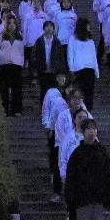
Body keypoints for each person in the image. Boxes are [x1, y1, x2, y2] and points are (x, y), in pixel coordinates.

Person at [42, 74, 70, 204]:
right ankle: (57, 191)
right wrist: (49, 128)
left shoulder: (79, 104)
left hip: (73, 139)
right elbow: (51, 114)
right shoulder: (58, 100)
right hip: (59, 137)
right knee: (58, 162)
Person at [0, 15, 24, 117]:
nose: (11, 25)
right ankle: (4, 109)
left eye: (13, 23)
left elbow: (21, 52)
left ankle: (17, 110)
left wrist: (21, 63)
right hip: (4, 65)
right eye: (9, 23)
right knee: (4, 88)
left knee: (17, 88)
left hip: (16, 65)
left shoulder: (20, 37)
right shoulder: (1, 37)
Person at [67, 18, 99, 111]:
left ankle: (88, 112)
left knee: (89, 93)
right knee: (79, 93)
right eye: (88, 25)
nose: (89, 27)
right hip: (78, 69)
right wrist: (71, 68)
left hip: (90, 69)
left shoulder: (90, 41)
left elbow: (94, 57)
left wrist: (97, 72)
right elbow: (70, 54)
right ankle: (78, 111)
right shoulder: (73, 39)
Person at [31, 20, 67, 102]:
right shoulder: (39, 41)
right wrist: (35, 68)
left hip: (54, 70)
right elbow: (34, 55)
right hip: (42, 70)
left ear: (54, 29)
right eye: (47, 26)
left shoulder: (57, 41)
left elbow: (61, 56)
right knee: (43, 91)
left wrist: (61, 69)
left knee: (54, 91)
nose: (49, 28)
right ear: (44, 28)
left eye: (51, 26)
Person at [58, 108, 89, 187]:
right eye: (80, 117)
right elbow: (62, 157)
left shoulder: (92, 137)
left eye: (84, 117)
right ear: (74, 120)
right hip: (71, 174)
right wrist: (63, 174)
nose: (82, 120)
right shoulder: (67, 138)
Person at [22, 0, 49, 67]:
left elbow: (48, 29)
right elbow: (25, 29)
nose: (36, 4)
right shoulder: (27, 16)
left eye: (37, 2)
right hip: (30, 43)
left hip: (42, 43)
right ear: (32, 4)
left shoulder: (45, 16)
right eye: (34, 2)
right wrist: (24, 42)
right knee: (31, 63)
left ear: (40, 3)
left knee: (41, 62)